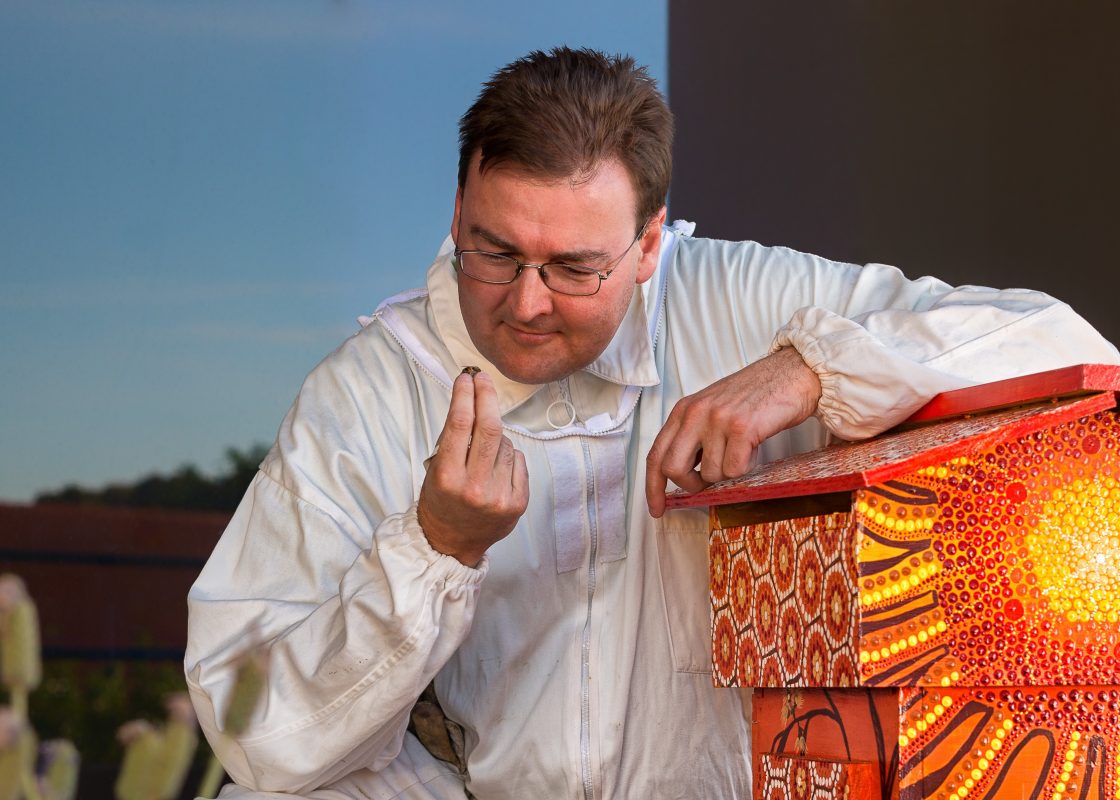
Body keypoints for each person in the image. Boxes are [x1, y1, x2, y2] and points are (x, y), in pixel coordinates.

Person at [185, 47, 1118, 799]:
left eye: (575, 267)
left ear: (648, 243)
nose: (528, 304)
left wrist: (807, 372)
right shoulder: (372, 391)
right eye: (494, 251)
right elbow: (256, 733)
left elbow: (1061, 341)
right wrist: (434, 549)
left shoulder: (741, 297)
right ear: (459, 208)